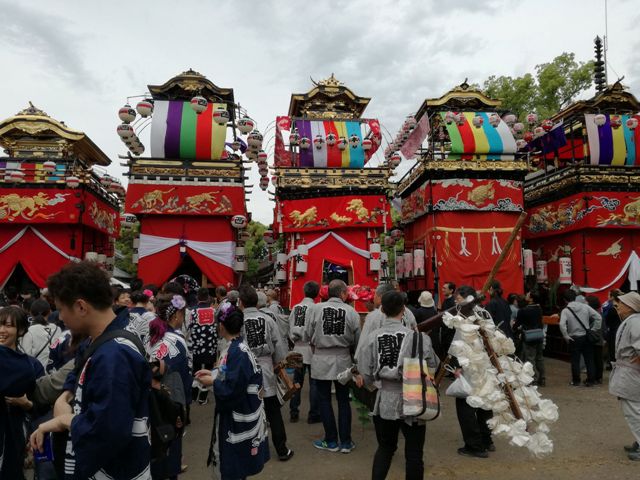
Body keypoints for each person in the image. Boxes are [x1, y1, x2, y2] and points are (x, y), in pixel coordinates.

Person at [30, 261, 151, 480]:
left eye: (61, 310)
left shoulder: (114, 356)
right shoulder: (100, 340)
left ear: (81, 307)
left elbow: (108, 430)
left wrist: (63, 421)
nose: (61, 318)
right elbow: (77, 371)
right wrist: (64, 396)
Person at [356, 290, 439, 479]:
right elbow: (433, 365)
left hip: (385, 398)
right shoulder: (419, 337)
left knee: (385, 448)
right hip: (416, 398)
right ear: (404, 310)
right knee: (414, 453)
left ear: (382, 310)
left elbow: (366, 373)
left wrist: (376, 383)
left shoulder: (372, 338)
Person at [194, 302, 269, 479]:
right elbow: (232, 376)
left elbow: (231, 390)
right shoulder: (238, 347)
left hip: (237, 419)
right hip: (245, 413)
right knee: (237, 465)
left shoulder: (237, 351)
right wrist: (214, 374)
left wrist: (213, 382)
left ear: (221, 326)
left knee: (231, 466)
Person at [239, 285, 294, 461]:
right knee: (273, 410)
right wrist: (279, 363)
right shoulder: (267, 320)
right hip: (266, 367)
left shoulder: (239, 320)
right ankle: (282, 449)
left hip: (245, 368)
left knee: (247, 410)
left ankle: (249, 449)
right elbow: (278, 345)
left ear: (240, 302)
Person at [305, 279, 361, 453]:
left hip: (321, 357)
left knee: (324, 400)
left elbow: (307, 333)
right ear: (343, 294)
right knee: (344, 400)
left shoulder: (315, 309)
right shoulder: (351, 312)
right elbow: (357, 341)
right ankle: (345, 442)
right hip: (343, 358)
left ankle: (331, 441)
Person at [148, 292, 191, 479]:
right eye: (183, 313)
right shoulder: (177, 342)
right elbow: (183, 379)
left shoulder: (154, 338)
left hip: (152, 404)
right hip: (170, 405)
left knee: (157, 455)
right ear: (176, 316)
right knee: (170, 456)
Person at [452, 285, 494, 458]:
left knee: (466, 405)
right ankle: (487, 440)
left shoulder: (464, 315)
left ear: (468, 298)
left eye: (458, 298)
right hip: (486, 365)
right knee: (485, 403)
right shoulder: (485, 313)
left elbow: (458, 343)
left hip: (469, 366)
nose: (456, 301)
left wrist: (457, 365)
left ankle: (475, 445)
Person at [1, 306, 43, 479]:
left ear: (21, 330)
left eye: (8, 325)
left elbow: (43, 405)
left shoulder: (31, 366)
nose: (2, 330)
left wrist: (26, 404)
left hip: (16, 431)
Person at [608, 291, 640, 461]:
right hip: (628, 371)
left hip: (631, 372)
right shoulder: (632, 321)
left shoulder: (635, 323)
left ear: (630, 307)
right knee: (634, 408)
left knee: (634, 410)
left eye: (621, 303)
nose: (617, 305)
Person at [288, 281, 320, 424]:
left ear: (304, 291)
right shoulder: (316, 308)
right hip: (312, 349)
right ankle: (313, 415)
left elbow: (289, 327)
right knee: (313, 383)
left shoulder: (296, 307)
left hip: (297, 347)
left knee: (296, 381)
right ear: (317, 293)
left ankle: (293, 412)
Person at [559, 289, 602, 386]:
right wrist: (594, 329)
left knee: (575, 360)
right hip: (586, 336)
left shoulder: (565, 311)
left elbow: (562, 325)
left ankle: (576, 381)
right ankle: (591, 380)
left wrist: (566, 336)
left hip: (574, 338)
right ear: (575, 297)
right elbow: (598, 317)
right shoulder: (585, 306)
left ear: (565, 300)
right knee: (589, 359)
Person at [188, 287, 218, 405]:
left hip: (196, 346)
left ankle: (194, 395)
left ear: (197, 297)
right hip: (210, 346)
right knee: (209, 370)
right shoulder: (214, 312)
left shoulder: (192, 312)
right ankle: (203, 397)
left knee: (196, 369)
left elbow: (189, 329)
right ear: (208, 298)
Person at [513, 291, 546, 386]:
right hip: (539, 335)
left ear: (531, 298)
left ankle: (533, 378)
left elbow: (517, 324)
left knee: (530, 358)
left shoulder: (523, 310)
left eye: (527, 295)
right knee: (539, 357)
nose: (526, 296)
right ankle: (542, 378)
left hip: (529, 336)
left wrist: (514, 328)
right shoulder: (539, 309)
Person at [20, 298, 61, 367]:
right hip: (55, 371)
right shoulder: (58, 329)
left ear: (31, 313)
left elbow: (26, 356)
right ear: (49, 312)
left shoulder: (28, 331)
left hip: (38, 372)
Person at [586, 295, 605, 384]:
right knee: (598, 359)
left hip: (592, 338)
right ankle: (599, 377)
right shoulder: (600, 313)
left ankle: (593, 377)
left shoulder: (591, 315)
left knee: (592, 359)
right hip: (599, 338)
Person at [605, 289, 623, 370]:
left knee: (612, 349)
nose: (607, 297)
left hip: (613, 331)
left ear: (612, 297)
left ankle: (613, 365)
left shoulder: (612, 309)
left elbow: (607, 321)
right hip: (620, 329)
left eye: (609, 295)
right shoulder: (621, 307)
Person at [438, 282, 457, 359]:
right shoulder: (446, 300)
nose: (442, 290)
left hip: (450, 334)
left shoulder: (453, 302)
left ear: (451, 290)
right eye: (442, 288)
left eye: (444, 288)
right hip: (445, 333)